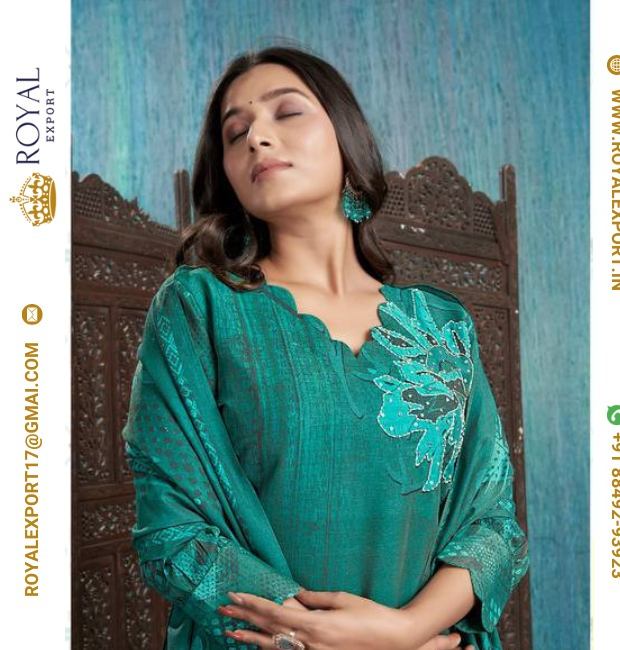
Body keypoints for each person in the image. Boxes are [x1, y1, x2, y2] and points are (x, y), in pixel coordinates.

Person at [122, 44, 529, 650]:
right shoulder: (199, 307)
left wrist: (404, 632)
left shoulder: (443, 324)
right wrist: (316, 636)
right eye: (235, 133)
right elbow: (173, 528)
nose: (257, 138)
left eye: (286, 112)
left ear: (347, 139)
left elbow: (491, 523)